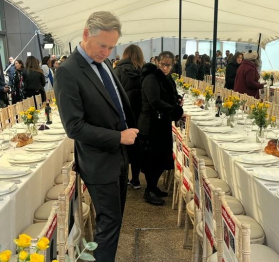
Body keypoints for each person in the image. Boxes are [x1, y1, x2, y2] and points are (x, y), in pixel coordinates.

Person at [54, 11, 137, 261]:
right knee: (109, 224)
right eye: (103, 45)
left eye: (112, 47)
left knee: (114, 220)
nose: (107, 52)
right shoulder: (68, 71)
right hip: (99, 161)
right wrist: (117, 137)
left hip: (119, 156)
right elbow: (74, 127)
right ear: (86, 34)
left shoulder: (102, 64)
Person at [138, 51, 183, 205]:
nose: (165, 68)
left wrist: (177, 100)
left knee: (160, 158)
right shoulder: (151, 78)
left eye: (168, 65)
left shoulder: (166, 78)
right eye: (163, 64)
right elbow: (155, 101)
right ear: (157, 62)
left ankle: (153, 187)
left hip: (161, 123)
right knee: (153, 160)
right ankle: (149, 190)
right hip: (150, 125)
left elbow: (168, 95)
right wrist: (176, 110)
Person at [114, 44, 144, 189]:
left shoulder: (117, 70)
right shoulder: (144, 71)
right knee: (137, 146)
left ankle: (124, 178)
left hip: (123, 114)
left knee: (124, 146)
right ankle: (136, 179)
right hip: (140, 114)